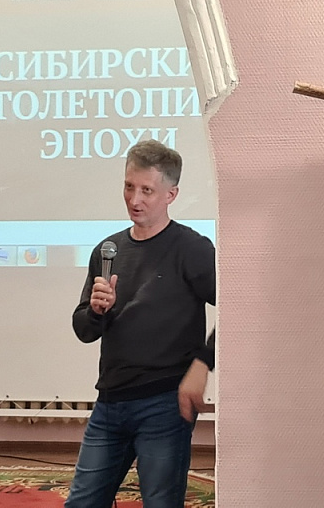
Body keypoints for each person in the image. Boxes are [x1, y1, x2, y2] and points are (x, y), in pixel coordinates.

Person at [66, 139, 216, 508]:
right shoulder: (108, 250)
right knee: (82, 502)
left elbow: (240, 308)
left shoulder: (192, 248)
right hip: (110, 401)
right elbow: (84, 330)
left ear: (171, 194)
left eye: (147, 190)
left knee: (161, 502)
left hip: (164, 403)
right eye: (129, 186)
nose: (135, 199)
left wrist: (203, 364)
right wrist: (97, 311)